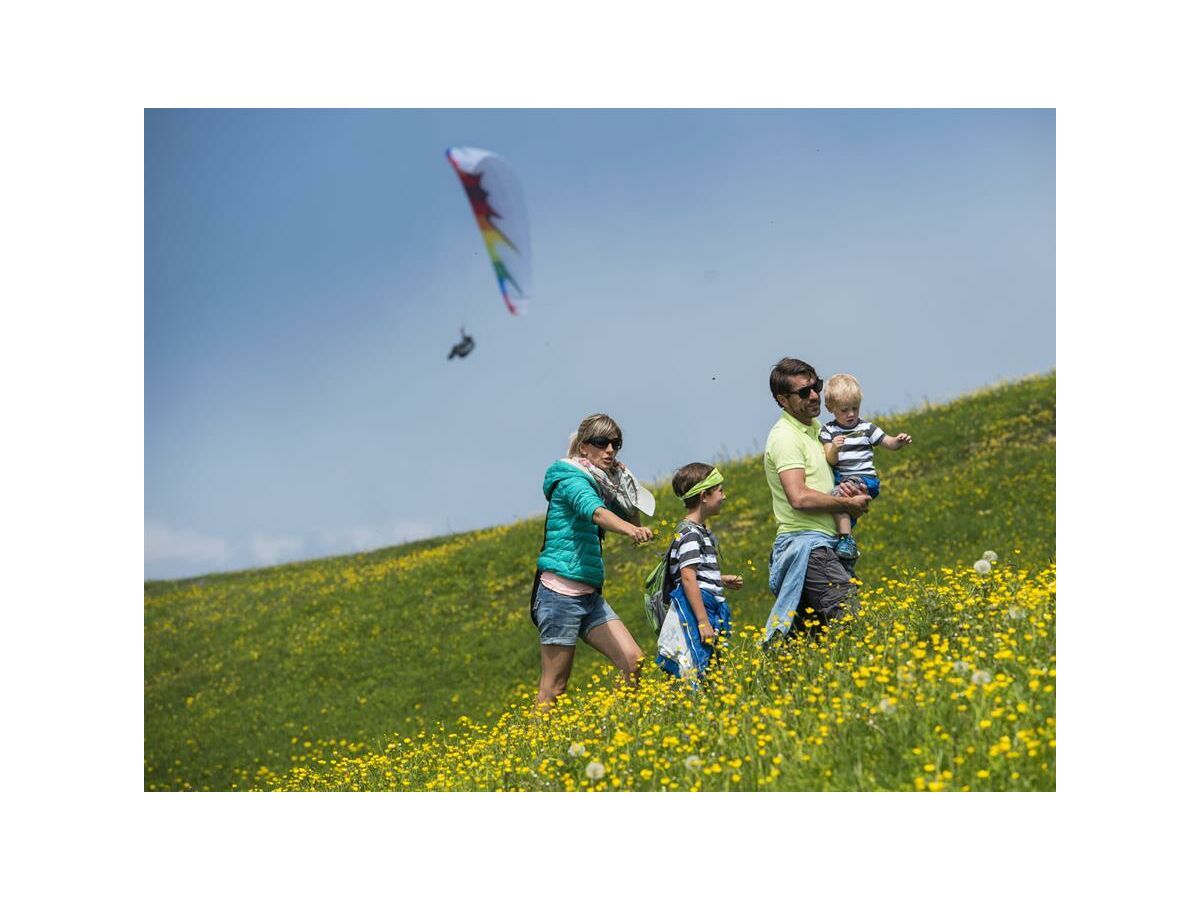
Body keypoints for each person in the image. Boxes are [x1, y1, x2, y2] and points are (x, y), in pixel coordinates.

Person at [531, 413, 654, 706]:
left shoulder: (603, 482)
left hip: (589, 596)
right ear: (584, 447)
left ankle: (624, 728)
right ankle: (534, 747)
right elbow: (595, 512)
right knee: (554, 687)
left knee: (633, 661)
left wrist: (625, 488)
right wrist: (631, 530)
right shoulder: (571, 479)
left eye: (616, 444)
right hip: (559, 595)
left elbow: (630, 514)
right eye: (601, 442)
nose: (610, 450)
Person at [761, 358, 872, 644]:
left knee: (808, 640)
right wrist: (846, 505)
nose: (814, 396)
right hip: (808, 547)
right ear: (782, 400)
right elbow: (798, 497)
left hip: (823, 544)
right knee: (850, 618)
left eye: (816, 386)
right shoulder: (785, 437)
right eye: (803, 392)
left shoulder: (817, 428)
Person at [655, 463, 744, 682]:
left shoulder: (698, 532)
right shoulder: (691, 534)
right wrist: (703, 621)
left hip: (706, 602)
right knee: (698, 666)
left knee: (713, 668)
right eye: (720, 490)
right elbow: (687, 577)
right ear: (704, 496)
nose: (724, 496)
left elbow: (693, 573)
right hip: (699, 607)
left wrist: (720, 580)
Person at [819, 373, 913, 561]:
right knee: (839, 507)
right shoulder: (828, 430)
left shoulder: (867, 428)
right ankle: (845, 549)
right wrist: (835, 449)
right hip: (843, 479)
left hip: (864, 479)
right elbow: (830, 459)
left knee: (837, 498)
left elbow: (888, 443)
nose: (851, 414)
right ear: (830, 408)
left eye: (855, 408)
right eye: (845, 410)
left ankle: (846, 540)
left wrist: (898, 441)